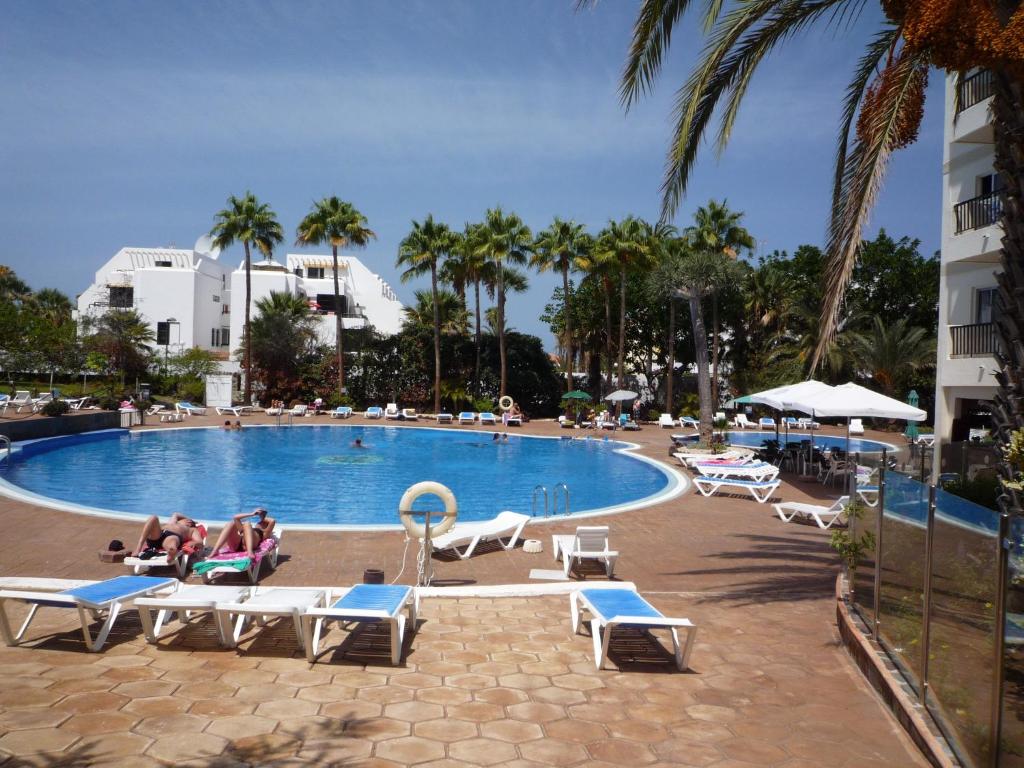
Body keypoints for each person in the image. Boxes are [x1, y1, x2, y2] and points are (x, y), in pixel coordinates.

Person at [134, 512, 203, 564]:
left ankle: (171, 551)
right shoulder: (174, 522)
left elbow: (200, 542)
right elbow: (176, 514)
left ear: (190, 523)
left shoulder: (192, 529)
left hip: (173, 536)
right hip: (160, 534)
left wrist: (193, 542)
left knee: (172, 540)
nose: (183, 520)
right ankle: (138, 547)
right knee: (153, 517)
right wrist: (188, 518)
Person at [211, 508, 276, 558]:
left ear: (266, 526)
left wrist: (262, 517)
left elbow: (272, 521)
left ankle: (250, 552)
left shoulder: (264, 533)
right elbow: (235, 517)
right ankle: (215, 550)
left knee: (247, 523)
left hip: (248, 547)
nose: (259, 523)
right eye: (260, 522)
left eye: (261, 523)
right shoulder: (247, 530)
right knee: (231, 524)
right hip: (237, 545)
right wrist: (252, 514)